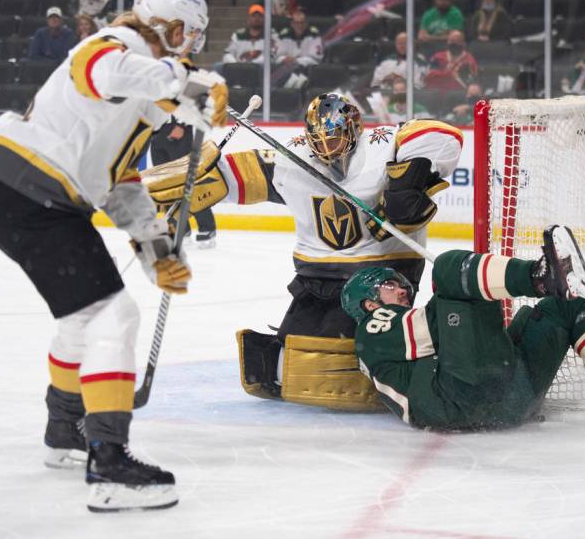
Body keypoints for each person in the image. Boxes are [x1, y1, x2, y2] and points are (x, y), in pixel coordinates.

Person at [0, 0, 228, 512]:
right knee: (114, 316)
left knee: (82, 320)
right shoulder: (114, 47)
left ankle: (66, 432)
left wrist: (157, 252)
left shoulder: (140, 96)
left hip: (29, 198)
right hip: (32, 196)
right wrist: (185, 82)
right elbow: (98, 70)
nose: (191, 50)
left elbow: (121, 181)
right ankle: (109, 464)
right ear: (173, 30)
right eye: (190, 39)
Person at [142, 93, 463, 410]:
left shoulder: (383, 144)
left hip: (381, 275)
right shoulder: (291, 157)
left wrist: (408, 182)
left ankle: (401, 365)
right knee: (288, 360)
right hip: (315, 276)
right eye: (318, 141)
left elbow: (442, 134)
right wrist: (193, 178)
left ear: (352, 130)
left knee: (334, 356)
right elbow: (234, 173)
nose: (326, 150)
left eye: (333, 140)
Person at [342, 226, 585, 433]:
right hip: (460, 400)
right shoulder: (371, 330)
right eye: (389, 286)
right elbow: (432, 326)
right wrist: (473, 290)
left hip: (509, 397)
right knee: (448, 269)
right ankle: (540, 277)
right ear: (369, 302)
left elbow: (444, 333)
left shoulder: (387, 330)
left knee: (564, 305)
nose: (402, 288)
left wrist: (479, 298)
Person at [150, 120, 218, 248]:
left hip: (179, 133)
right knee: (166, 185)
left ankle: (207, 229)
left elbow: (190, 100)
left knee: (189, 183)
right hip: (156, 134)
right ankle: (181, 230)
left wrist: (182, 125)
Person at [275, 9, 323, 88]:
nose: (299, 26)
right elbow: (277, 57)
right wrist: (283, 59)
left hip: (308, 73)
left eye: (302, 23)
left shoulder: (314, 35)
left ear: (306, 24)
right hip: (286, 72)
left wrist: (296, 60)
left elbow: (316, 59)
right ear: (292, 24)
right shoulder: (283, 35)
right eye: (296, 23)